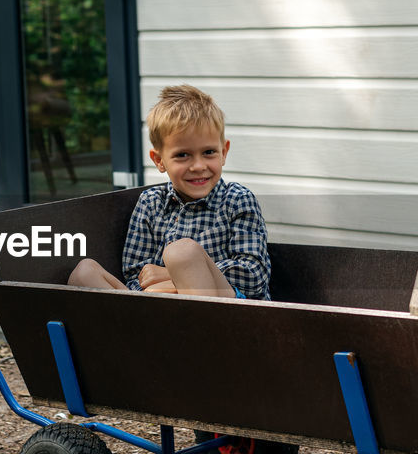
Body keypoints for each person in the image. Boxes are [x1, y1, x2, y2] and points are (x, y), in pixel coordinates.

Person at [70, 84, 271, 299]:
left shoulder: (237, 199)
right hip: (161, 307)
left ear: (224, 152)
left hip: (230, 313)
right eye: (183, 155)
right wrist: (172, 285)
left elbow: (253, 276)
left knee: (182, 253)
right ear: (159, 160)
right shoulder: (150, 202)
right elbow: (137, 274)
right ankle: (139, 330)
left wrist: (174, 275)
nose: (198, 166)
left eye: (209, 152)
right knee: (84, 273)